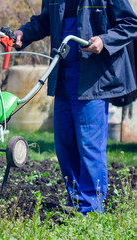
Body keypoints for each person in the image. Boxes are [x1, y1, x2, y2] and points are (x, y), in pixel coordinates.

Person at [13, 0, 137, 214]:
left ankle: (90, 207)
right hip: (62, 77)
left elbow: (130, 23)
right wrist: (23, 34)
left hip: (92, 79)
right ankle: (75, 200)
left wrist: (104, 41)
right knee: (65, 144)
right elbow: (44, 22)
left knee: (89, 145)